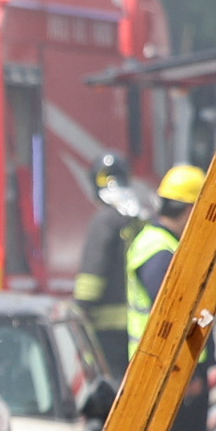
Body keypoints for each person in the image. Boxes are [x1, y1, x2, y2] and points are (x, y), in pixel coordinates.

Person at [131, 163, 216, 431]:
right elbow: (177, 315)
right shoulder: (158, 250)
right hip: (169, 373)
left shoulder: (165, 245)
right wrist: (192, 373)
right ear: (190, 209)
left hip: (174, 372)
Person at [75, 155, 144, 375]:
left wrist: (79, 310)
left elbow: (92, 276)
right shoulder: (137, 219)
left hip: (105, 329)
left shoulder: (104, 220)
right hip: (135, 325)